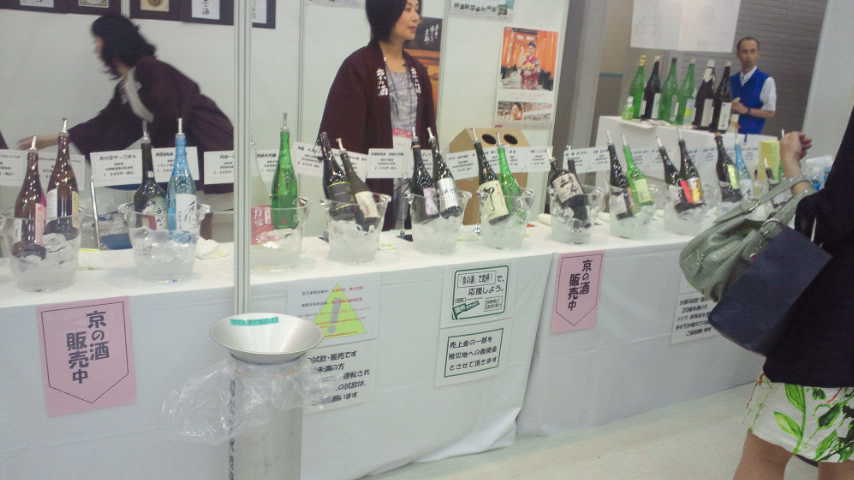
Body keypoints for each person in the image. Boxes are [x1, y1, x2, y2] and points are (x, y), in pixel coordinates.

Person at [17, 14, 233, 238]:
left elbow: (171, 114)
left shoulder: (151, 69)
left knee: (196, 208)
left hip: (205, 139)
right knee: (185, 210)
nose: (96, 48)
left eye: (98, 40)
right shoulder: (127, 84)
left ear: (113, 41)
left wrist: (156, 159)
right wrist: (56, 138)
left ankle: (200, 250)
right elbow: (107, 125)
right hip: (182, 146)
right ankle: (191, 248)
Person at [734, 110, 854, 479]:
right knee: (842, 453)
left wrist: (791, 168)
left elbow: (827, 221)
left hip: (836, 323)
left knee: (768, 453)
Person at [319, 0, 436, 231]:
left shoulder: (418, 71)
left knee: (412, 238)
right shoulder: (358, 66)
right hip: (373, 179)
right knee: (373, 236)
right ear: (386, 11)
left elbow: (428, 130)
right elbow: (341, 133)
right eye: (407, 9)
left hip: (412, 176)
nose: (416, 17)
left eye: (417, 9)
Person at [730, 37, 777, 134]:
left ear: (758, 54)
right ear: (738, 54)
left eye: (753, 51)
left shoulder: (767, 81)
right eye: (745, 52)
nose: (749, 56)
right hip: (727, 133)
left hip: (750, 137)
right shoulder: (731, 80)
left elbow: (770, 112)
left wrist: (746, 110)